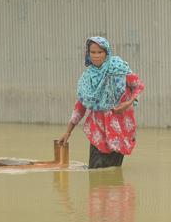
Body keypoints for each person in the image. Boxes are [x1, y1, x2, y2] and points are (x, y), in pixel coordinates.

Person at [59, 36, 144, 169]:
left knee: (113, 172)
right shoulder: (87, 78)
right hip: (97, 132)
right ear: (88, 54)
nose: (96, 56)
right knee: (95, 171)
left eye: (100, 52)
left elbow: (138, 86)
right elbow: (80, 107)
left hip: (118, 130)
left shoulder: (118, 68)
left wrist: (128, 103)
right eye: (93, 52)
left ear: (106, 53)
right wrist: (68, 132)